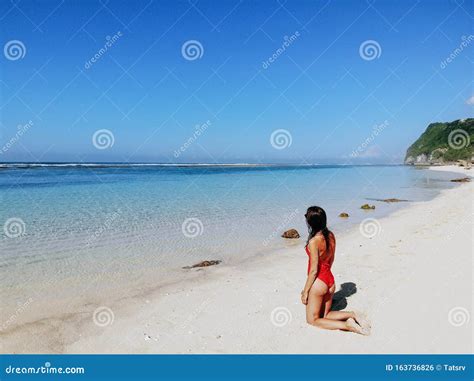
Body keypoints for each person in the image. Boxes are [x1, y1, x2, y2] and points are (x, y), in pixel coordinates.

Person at [301, 206, 370, 334]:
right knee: (326, 315)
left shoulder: (314, 241)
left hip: (319, 282)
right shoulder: (331, 236)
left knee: (313, 320)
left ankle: (347, 325)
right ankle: (353, 314)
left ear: (311, 223)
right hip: (330, 281)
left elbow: (313, 270)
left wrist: (305, 291)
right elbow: (331, 259)